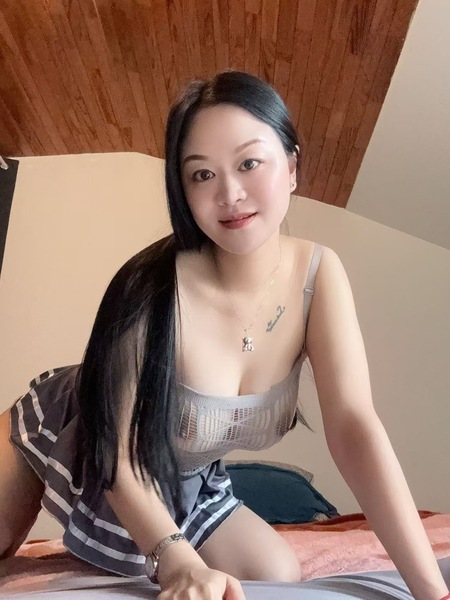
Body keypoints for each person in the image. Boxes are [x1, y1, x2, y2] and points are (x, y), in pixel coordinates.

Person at [0, 70, 448, 600]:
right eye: (202, 174)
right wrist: (179, 563)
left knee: (276, 573)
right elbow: (114, 457)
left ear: (292, 167)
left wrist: (431, 591)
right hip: (74, 435)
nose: (230, 194)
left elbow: (354, 427)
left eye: (249, 163)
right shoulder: (147, 288)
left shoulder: (319, 275)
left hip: (187, 476)